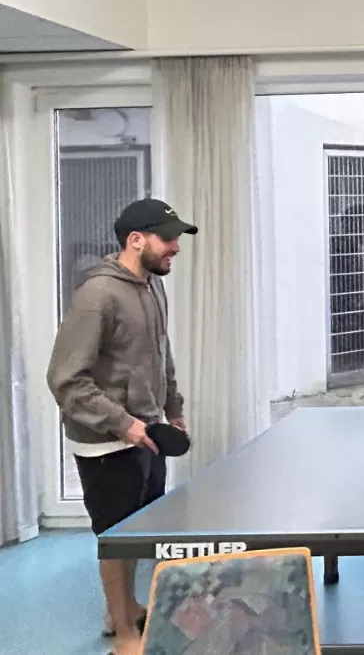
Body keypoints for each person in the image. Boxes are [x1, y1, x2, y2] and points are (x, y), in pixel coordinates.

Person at [46, 198, 197, 654]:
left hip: (146, 430)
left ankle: (124, 609)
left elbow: (160, 352)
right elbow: (65, 378)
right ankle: (125, 636)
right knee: (114, 536)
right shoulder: (97, 296)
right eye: (167, 238)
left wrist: (173, 409)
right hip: (105, 441)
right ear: (136, 240)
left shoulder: (152, 285)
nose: (175, 247)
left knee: (137, 530)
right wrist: (123, 423)